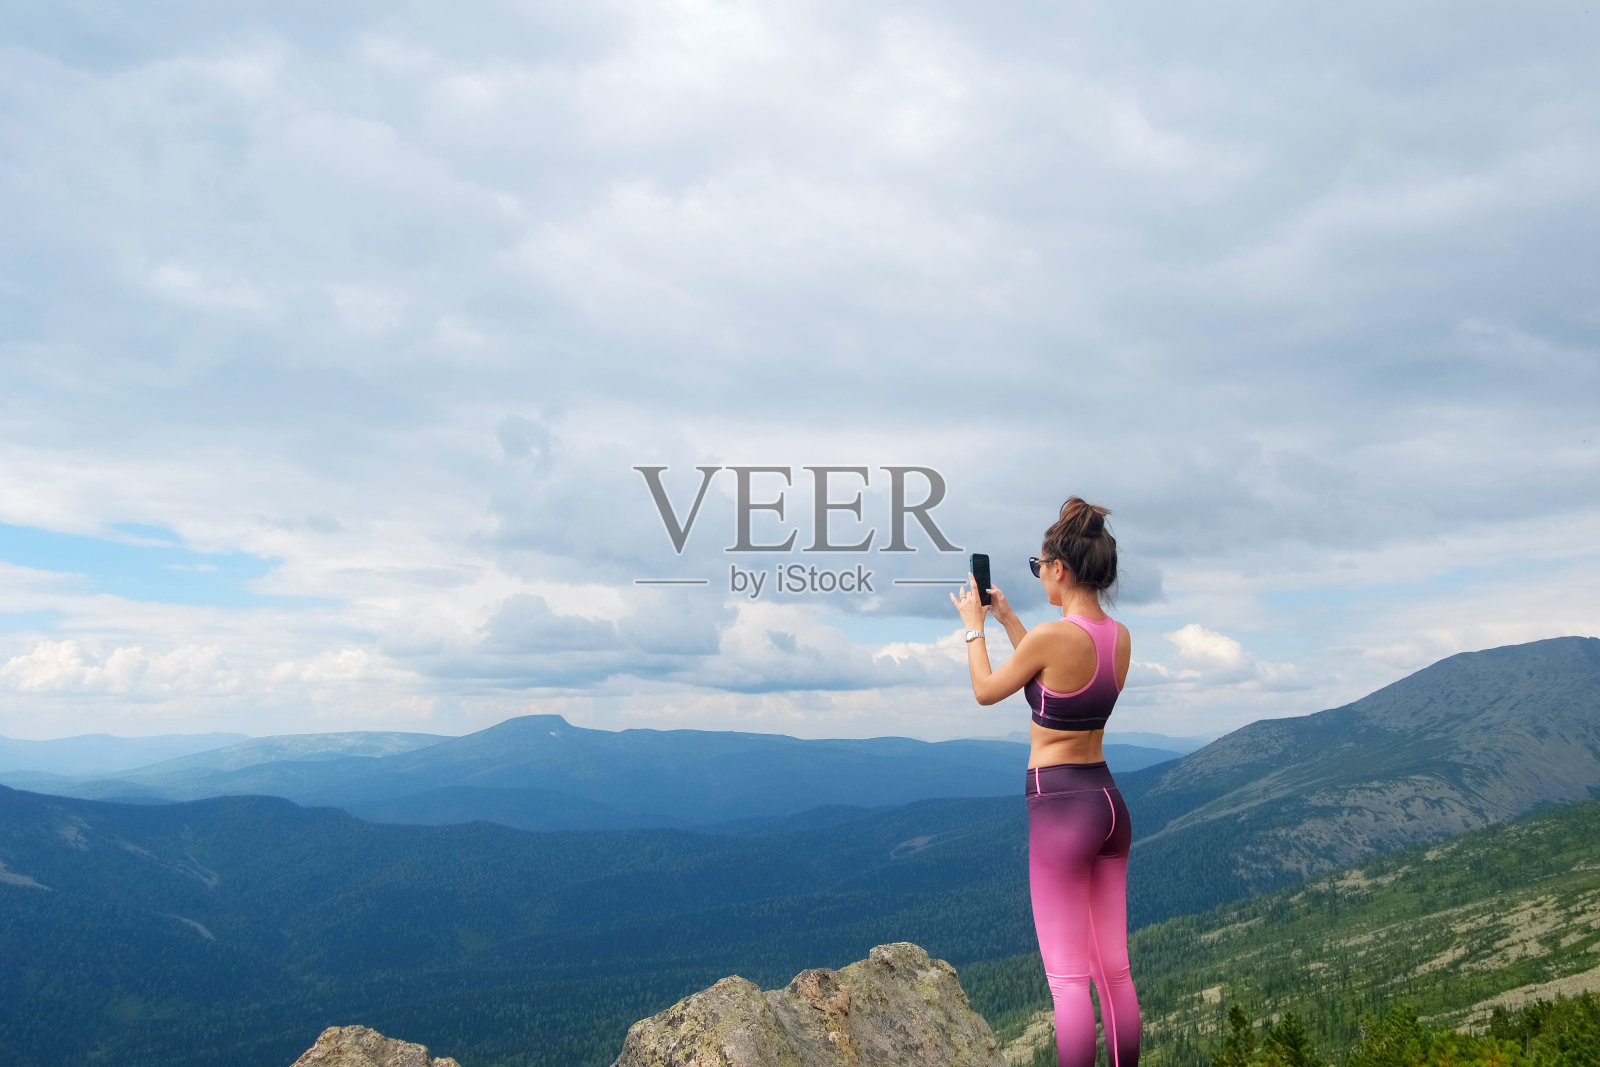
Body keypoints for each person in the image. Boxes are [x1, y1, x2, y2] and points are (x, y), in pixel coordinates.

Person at [951, 496, 1139, 1067]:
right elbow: (1050, 687)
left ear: (1060, 568)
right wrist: (1010, 619)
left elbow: (988, 690)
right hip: (1109, 804)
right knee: (1115, 971)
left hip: (1061, 810)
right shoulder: (1117, 637)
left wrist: (974, 629)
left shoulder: (1053, 639)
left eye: (1039, 567)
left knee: (1067, 980)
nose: (1040, 577)